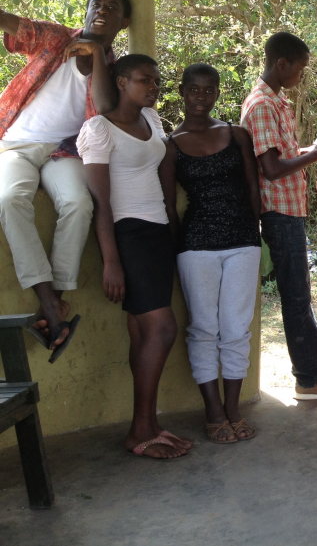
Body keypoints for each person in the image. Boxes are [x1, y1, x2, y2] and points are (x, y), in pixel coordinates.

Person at [0, 0, 127, 359]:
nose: (101, 10)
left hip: (63, 152)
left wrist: (99, 54)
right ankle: (51, 305)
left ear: (124, 21)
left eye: (112, 7)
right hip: (16, 144)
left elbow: (104, 107)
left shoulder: (119, 70)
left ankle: (55, 301)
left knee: (78, 203)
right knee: (9, 199)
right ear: (86, 11)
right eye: (96, 4)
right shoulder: (56, 38)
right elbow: (11, 24)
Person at [78, 54, 192, 459]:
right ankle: (139, 429)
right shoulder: (99, 129)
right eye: (145, 81)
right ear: (122, 81)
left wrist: (172, 227)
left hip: (158, 231)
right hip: (129, 234)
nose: (153, 88)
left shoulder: (152, 121)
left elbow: (164, 172)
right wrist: (111, 260)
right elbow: (100, 204)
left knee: (143, 332)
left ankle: (149, 424)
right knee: (162, 330)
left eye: (157, 82)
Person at [161, 64, 263, 444]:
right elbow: (170, 205)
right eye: (194, 90)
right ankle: (213, 409)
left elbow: (253, 188)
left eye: (209, 90)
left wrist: (255, 232)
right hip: (196, 245)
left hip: (242, 241)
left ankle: (233, 408)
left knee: (236, 328)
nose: (201, 97)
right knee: (204, 328)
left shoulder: (237, 134)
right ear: (183, 92)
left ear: (218, 93)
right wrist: (176, 250)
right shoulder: (171, 145)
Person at [240, 32, 317, 401]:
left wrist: (316, 151)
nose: (302, 76)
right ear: (282, 64)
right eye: (300, 69)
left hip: (291, 210)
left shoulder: (277, 100)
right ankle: (308, 379)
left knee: (300, 293)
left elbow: (281, 154)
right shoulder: (261, 105)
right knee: (295, 297)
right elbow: (270, 168)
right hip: (278, 212)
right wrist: (313, 155)